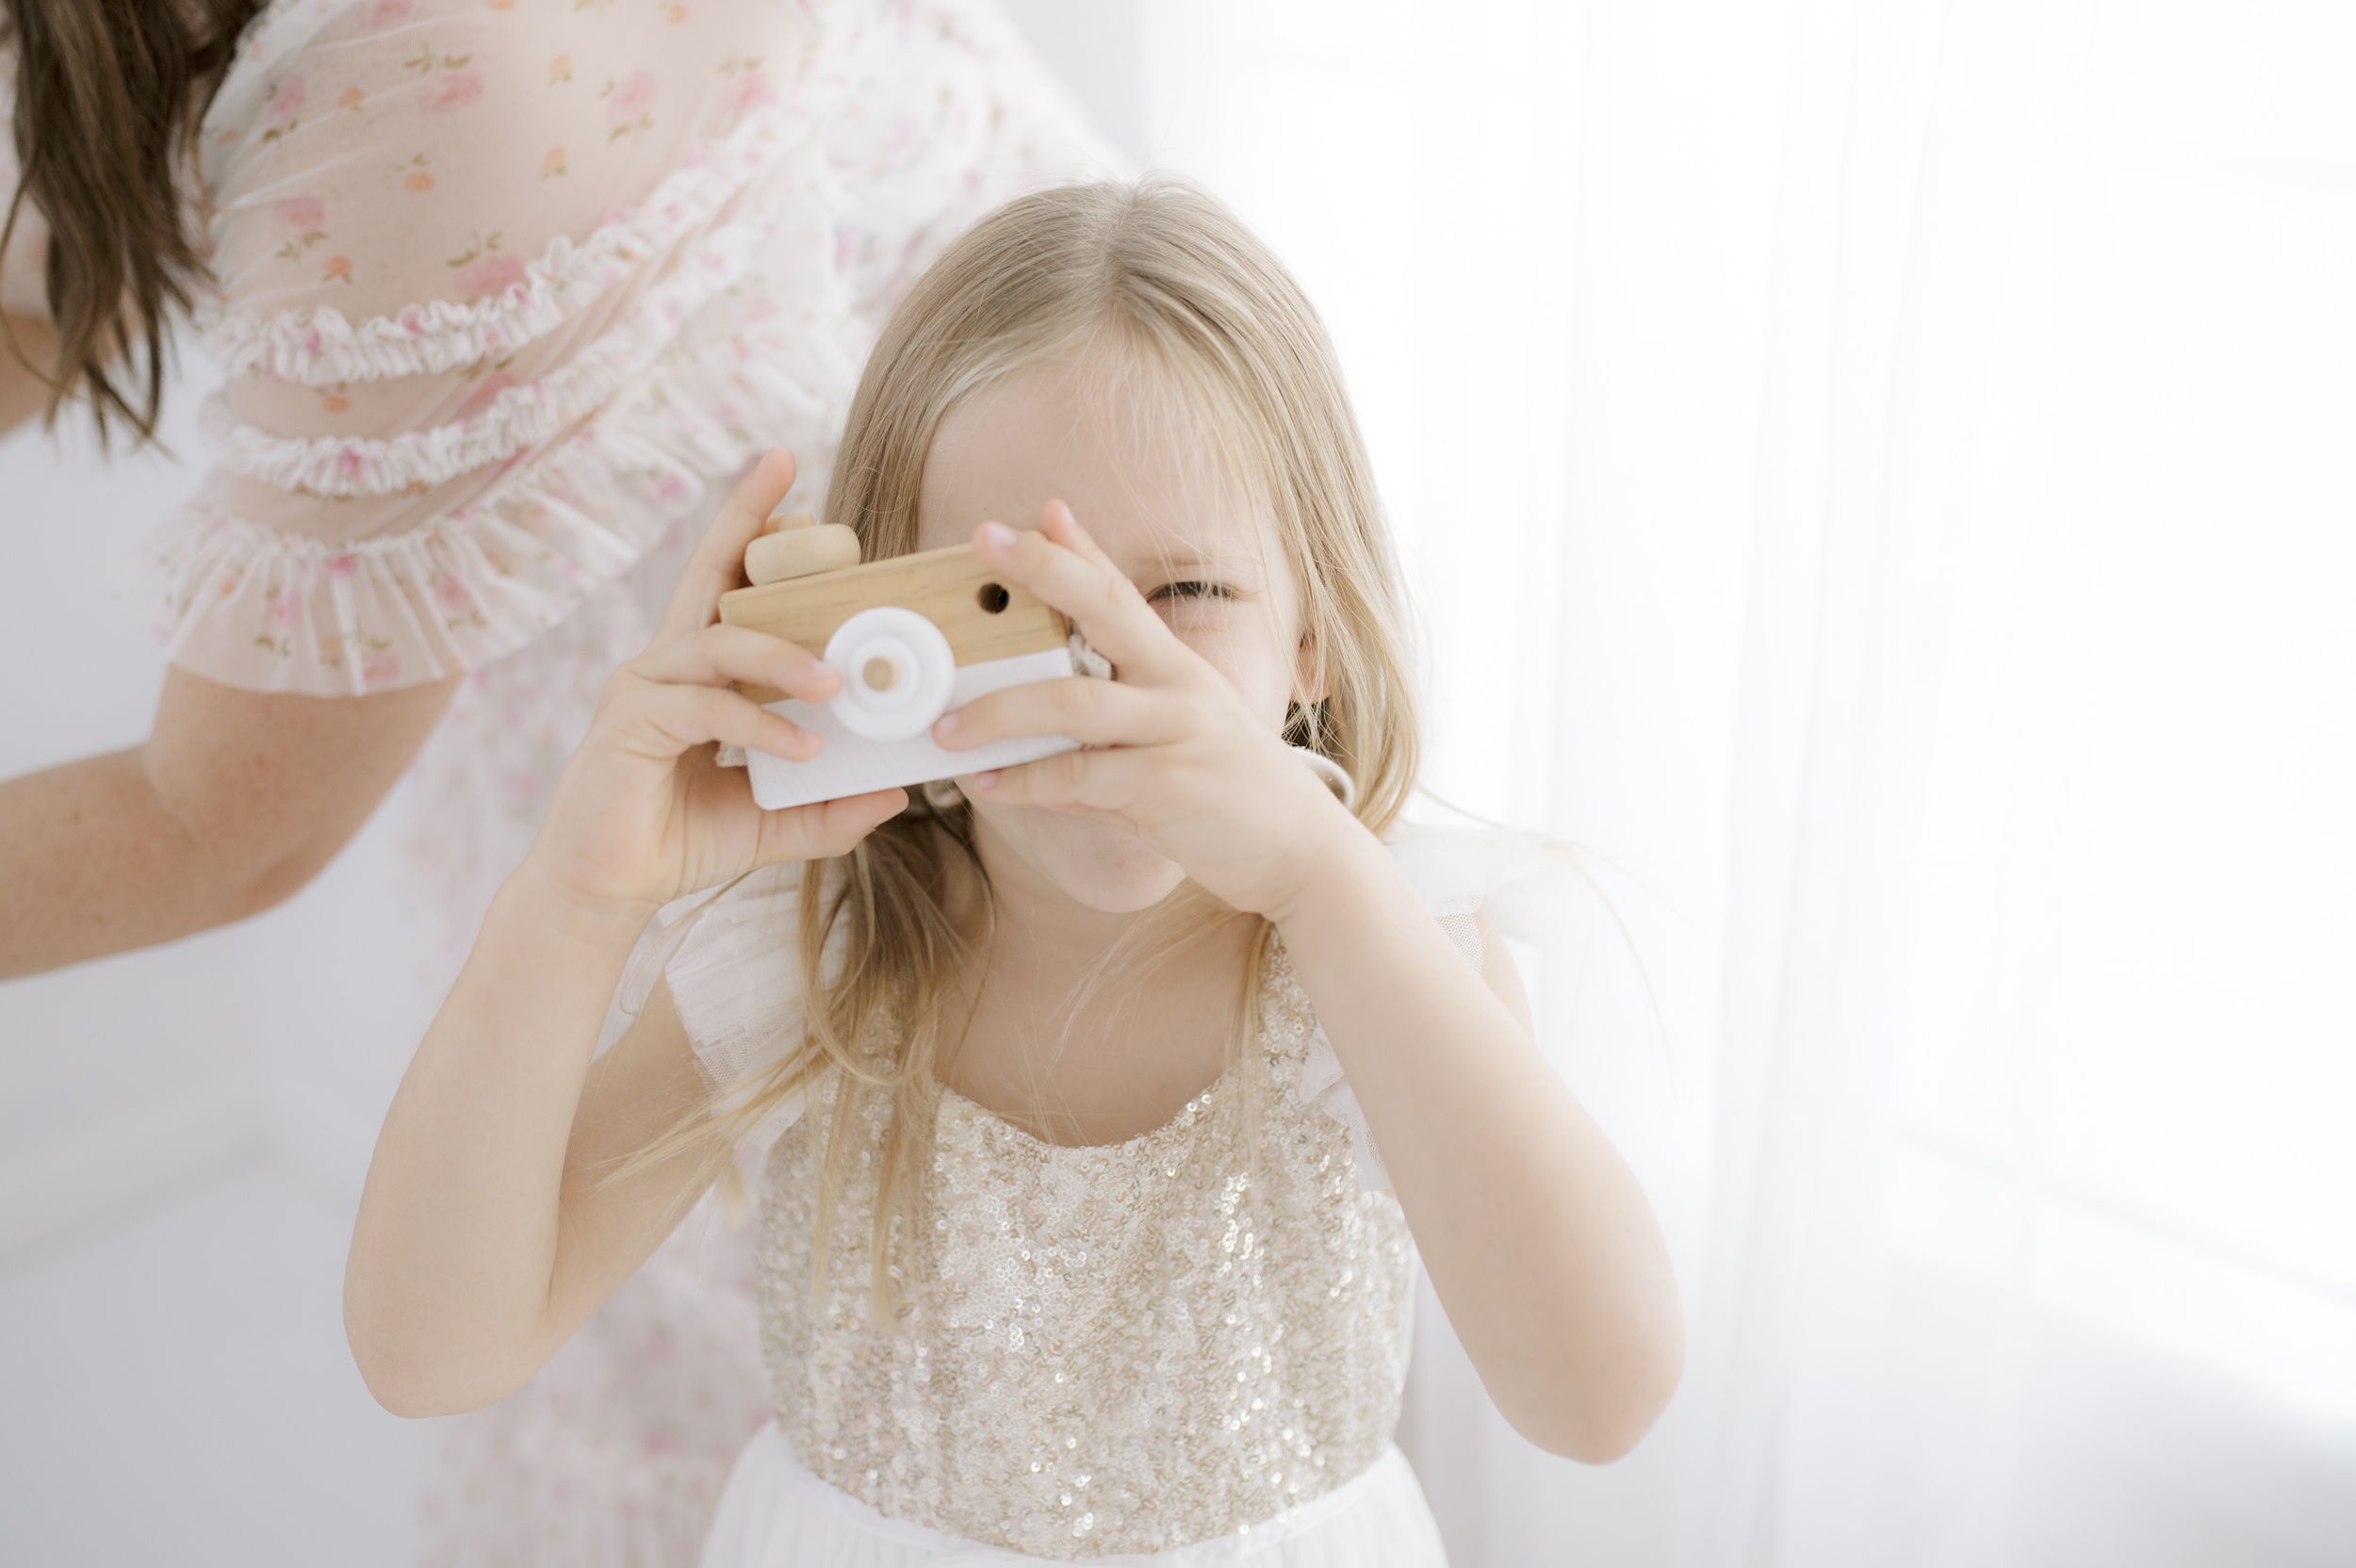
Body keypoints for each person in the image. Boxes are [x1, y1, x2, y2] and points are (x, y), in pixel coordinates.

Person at [345, 178, 1685, 1567]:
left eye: (1186, 594)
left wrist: (1326, 887)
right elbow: (429, 1354)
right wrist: (577, 896)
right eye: (1016, 606)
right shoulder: (817, 947)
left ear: (1312, 640)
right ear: (881, 631)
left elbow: (1601, 1399)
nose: (1106, 672)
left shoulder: (1388, 940)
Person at [0, 0, 1117, 1558]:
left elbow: (211, 827)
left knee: (795, 1382)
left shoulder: (435, 93)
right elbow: (58, 287)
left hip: (881, 789)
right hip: (735, 723)